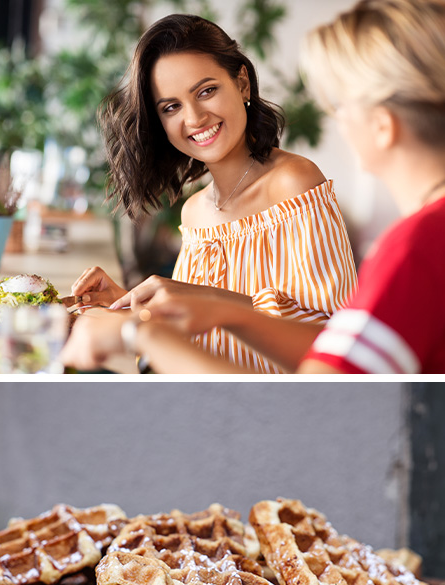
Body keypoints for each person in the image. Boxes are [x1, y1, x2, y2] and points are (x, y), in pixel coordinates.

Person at [61, 0, 445, 374]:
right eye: (171, 106)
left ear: (381, 124)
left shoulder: (418, 248)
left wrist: (138, 331)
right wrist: (137, 312)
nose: (337, 123)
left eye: (338, 104)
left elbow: (313, 397)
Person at [71, 14, 357, 372]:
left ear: (241, 84)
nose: (194, 118)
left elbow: (337, 344)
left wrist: (208, 300)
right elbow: (198, 341)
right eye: (171, 107)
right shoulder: (194, 212)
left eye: (206, 91)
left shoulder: (294, 184)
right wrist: (129, 306)